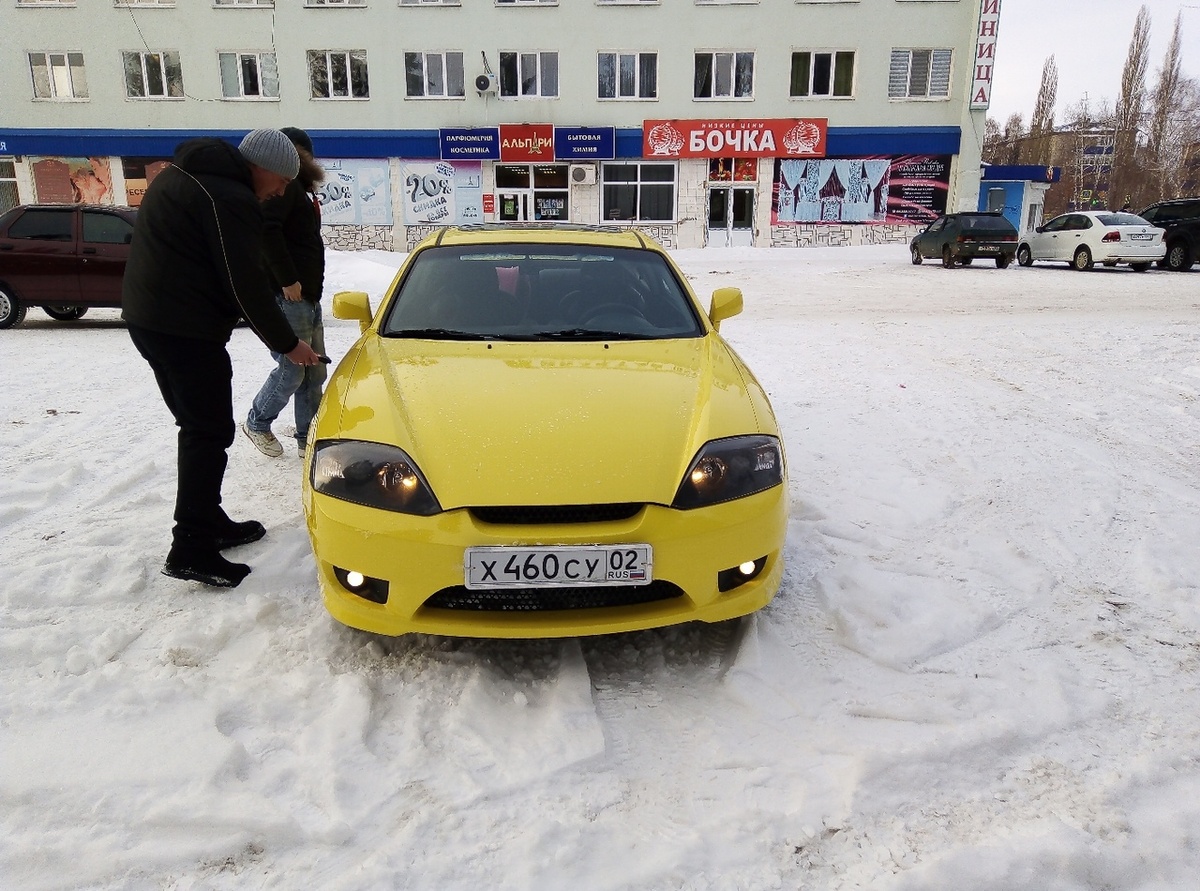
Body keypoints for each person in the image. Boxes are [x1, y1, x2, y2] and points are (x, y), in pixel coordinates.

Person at [122, 128, 323, 588]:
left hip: (152, 320)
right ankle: (191, 545)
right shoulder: (227, 197)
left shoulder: (186, 175)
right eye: (282, 183)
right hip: (184, 329)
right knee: (207, 431)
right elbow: (244, 281)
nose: (278, 193)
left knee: (198, 428)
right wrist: (289, 343)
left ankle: (207, 520)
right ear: (267, 169)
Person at [242, 127, 327, 460]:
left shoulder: (300, 190)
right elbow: (267, 230)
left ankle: (308, 437)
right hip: (289, 296)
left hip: (307, 297)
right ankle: (257, 422)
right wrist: (287, 278)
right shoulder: (287, 189)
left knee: (314, 369)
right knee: (293, 367)